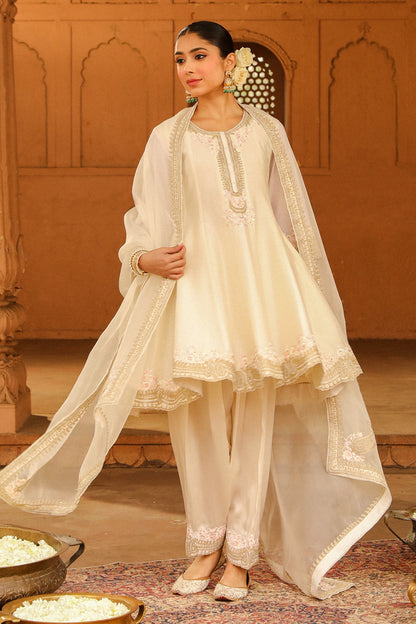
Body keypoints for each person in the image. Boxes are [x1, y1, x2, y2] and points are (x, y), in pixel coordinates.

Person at [0, 21, 390, 602]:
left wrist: (306, 299)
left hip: (262, 288)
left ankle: (242, 555)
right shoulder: (167, 137)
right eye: (180, 58)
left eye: (200, 56)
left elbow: (291, 217)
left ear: (229, 62)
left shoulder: (269, 131)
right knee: (197, 424)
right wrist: (143, 258)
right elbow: (144, 216)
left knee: (255, 421)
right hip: (195, 290)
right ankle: (205, 546)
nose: (187, 68)